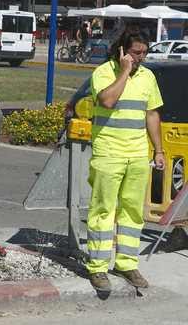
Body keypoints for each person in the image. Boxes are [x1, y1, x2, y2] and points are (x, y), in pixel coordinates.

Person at [86, 29, 166, 292]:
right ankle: (98, 269)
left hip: (137, 156)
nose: (141, 58)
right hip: (108, 154)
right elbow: (107, 101)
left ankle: (127, 263)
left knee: (133, 212)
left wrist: (159, 151)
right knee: (103, 211)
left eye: (144, 53)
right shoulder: (104, 73)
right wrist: (124, 71)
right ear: (121, 51)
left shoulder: (148, 76)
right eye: (136, 52)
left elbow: (152, 114)